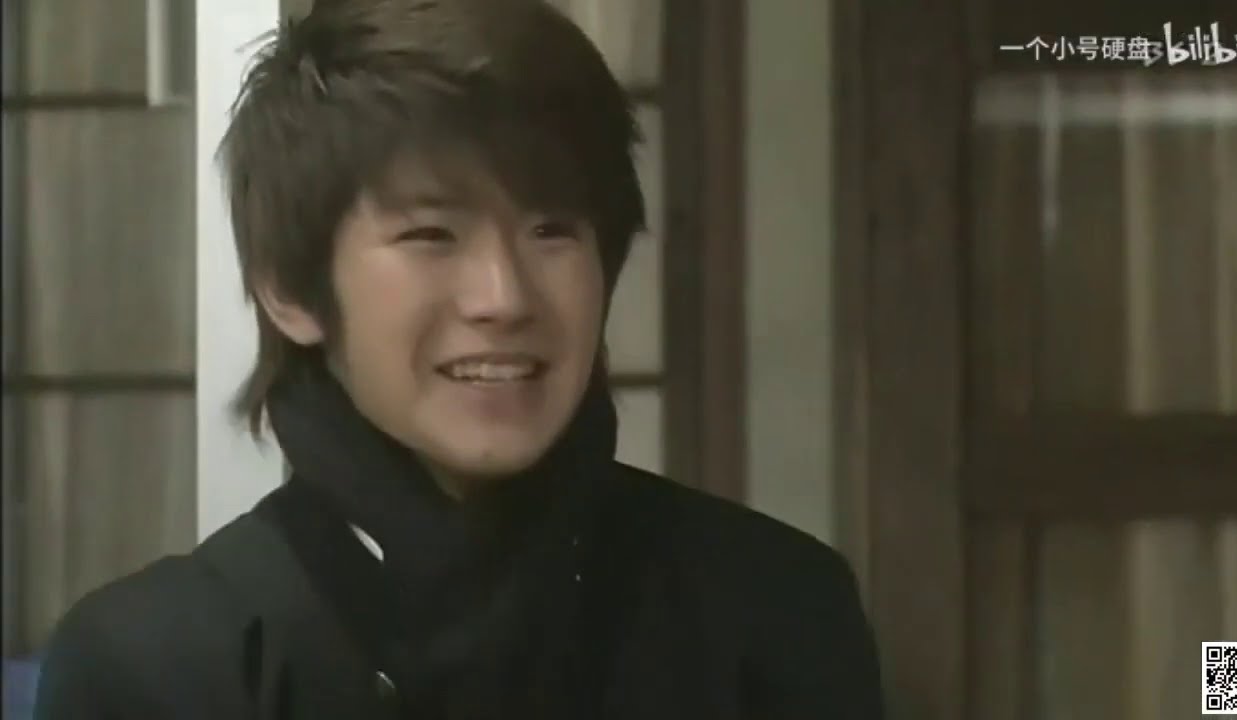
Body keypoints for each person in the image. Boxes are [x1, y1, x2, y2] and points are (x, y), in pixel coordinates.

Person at [34, 0, 884, 717]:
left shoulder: (772, 611)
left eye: (552, 230)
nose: (503, 296)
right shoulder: (157, 669)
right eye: (431, 234)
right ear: (289, 291)